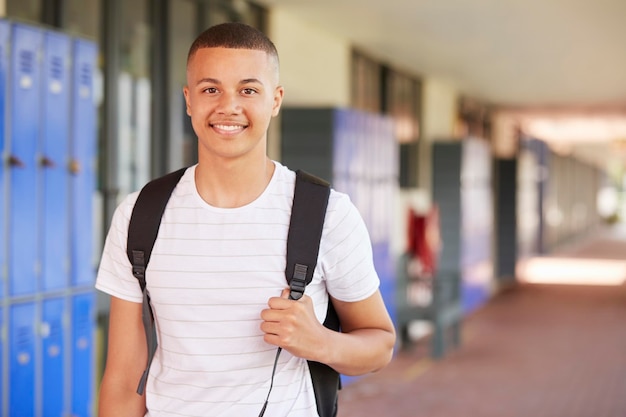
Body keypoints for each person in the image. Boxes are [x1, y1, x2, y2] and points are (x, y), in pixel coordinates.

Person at [96, 22, 396, 417]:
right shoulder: (140, 214)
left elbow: (379, 345)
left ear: (275, 100)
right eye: (210, 89)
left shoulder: (326, 215)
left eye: (248, 90)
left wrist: (319, 342)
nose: (228, 106)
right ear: (189, 100)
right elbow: (122, 377)